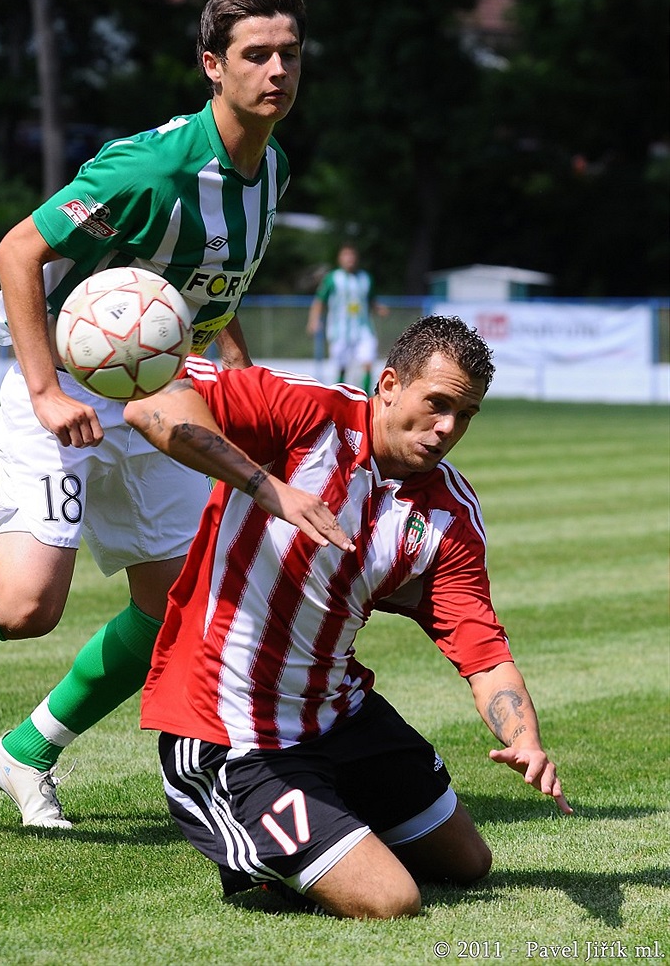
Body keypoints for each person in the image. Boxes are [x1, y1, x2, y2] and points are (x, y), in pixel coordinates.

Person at [0, 0, 350, 830]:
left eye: (290, 54)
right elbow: (17, 251)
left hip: (158, 395)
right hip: (66, 386)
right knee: (26, 609)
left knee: (180, 600)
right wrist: (42, 389)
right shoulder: (151, 166)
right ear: (213, 66)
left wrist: (244, 386)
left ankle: (24, 754)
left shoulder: (271, 166)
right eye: (257, 55)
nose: (278, 70)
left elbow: (213, 296)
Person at [123, 314, 572, 920]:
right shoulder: (308, 413)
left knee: (468, 862)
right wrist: (268, 487)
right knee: (392, 900)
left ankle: (329, 826)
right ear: (389, 384)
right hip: (230, 727)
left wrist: (526, 740)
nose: (446, 429)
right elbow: (152, 405)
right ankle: (263, 858)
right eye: (436, 404)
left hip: (339, 717)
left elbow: (483, 651)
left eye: (463, 416)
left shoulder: (449, 513)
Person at [306, 243, 388, 392]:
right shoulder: (332, 278)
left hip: (363, 329)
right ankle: (340, 396)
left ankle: (367, 396)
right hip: (340, 331)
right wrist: (314, 320)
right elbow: (319, 301)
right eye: (346, 255)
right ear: (340, 258)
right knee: (341, 367)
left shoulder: (365, 278)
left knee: (368, 362)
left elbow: (370, 300)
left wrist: (378, 308)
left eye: (352, 255)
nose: (349, 259)